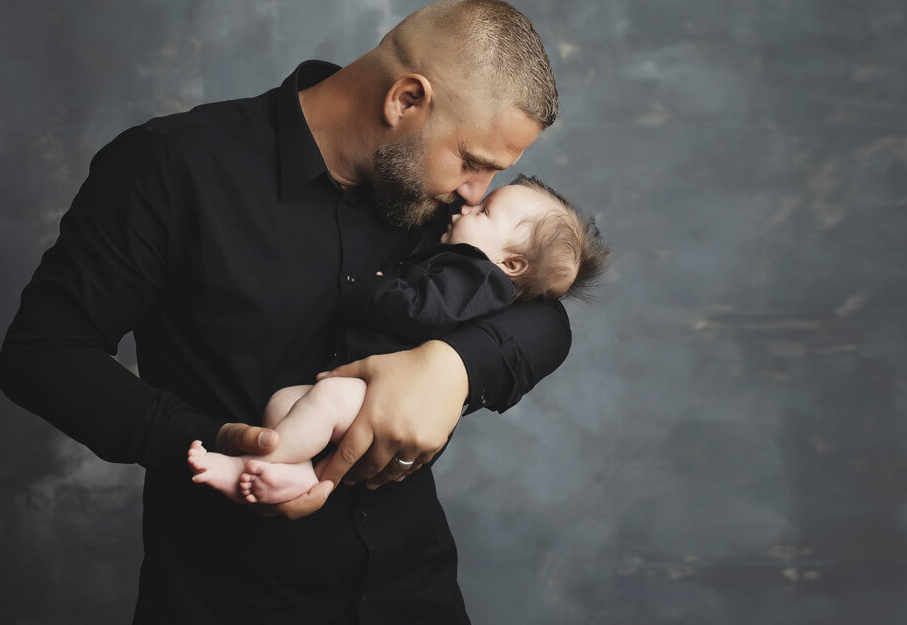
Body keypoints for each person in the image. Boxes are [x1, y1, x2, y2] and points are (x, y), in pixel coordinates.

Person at [0, 0, 572, 624]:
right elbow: (43, 355)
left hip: (416, 595)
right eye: (472, 163)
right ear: (406, 100)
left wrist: (452, 367)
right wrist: (210, 439)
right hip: (227, 600)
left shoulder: (447, 208)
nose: (474, 194)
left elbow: (546, 313)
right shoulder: (170, 166)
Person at [186, 175, 609, 505]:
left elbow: (425, 310)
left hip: (377, 392)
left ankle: (253, 465)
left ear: (510, 263)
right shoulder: (461, 264)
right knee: (283, 404)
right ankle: (298, 473)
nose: (467, 206)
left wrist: (376, 289)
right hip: (358, 383)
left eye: (483, 212)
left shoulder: (476, 276)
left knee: (324, 402)